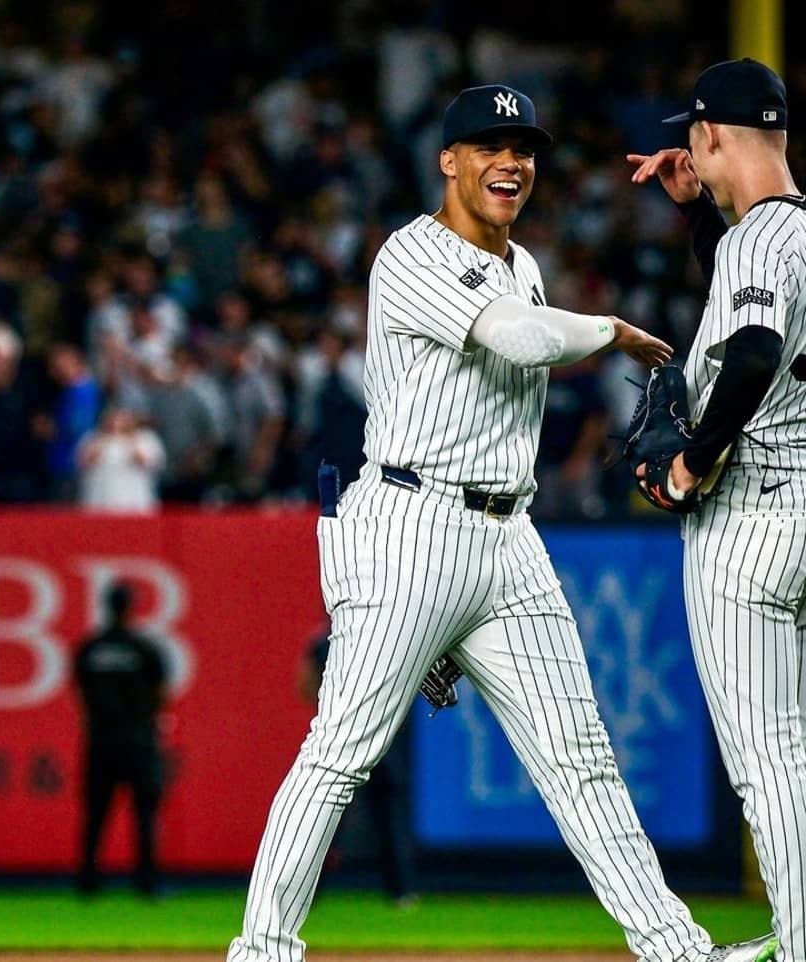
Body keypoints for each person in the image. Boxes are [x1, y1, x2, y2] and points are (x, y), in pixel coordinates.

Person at [226, 84, 776, 962]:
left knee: (582, 762)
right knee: (341, 756)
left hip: (507, 538)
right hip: (410, 523)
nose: (511, 162)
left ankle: (679, 952)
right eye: (489, 145)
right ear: (448, 161)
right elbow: (518, 338)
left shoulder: (523, 265)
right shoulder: (410, 253)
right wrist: (612, 331)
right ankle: (261, 950)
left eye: (522, 148)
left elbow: (524, 322)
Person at [628, 58, 806, 962]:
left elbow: (752, 354)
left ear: (707, 136)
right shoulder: (790, 234)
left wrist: (694, 463)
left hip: (754, 518)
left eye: (690, 135)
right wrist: (701, 209)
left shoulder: (757, 242)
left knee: (771, 758)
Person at [298, 624, 416, 907]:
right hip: (379, 738)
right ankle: (401, 894)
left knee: (325, 817)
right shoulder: (387, 633)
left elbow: (305, 687)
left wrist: (330, 708)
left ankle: (305, 892)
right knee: (387, 818)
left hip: (342, 740)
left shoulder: (324, 641)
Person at [74, 581, 168, 896]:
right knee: (145, 813)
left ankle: (88, 881)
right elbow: (160, 693)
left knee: (97, 813)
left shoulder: (90, 648)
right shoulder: (144, 648)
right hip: (138, 739)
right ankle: (147, 883)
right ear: (129, 607)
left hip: (101, 738)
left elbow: (81, 692)